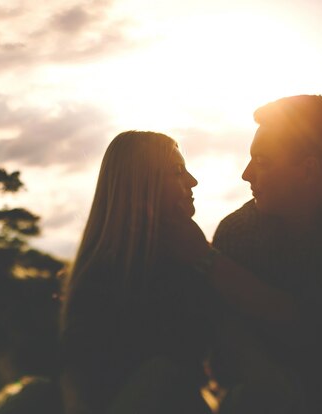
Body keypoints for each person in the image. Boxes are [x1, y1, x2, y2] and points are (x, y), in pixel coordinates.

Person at [211, 95, 322, 413]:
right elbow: (223, 358)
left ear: (308, 170)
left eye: (262, 161)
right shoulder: (235, 234)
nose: (246, 174)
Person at [59, 131, 216, 414]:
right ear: (143, 186)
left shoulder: (190, 262)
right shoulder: (104, 280)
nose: (193, 181)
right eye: (178, 171)